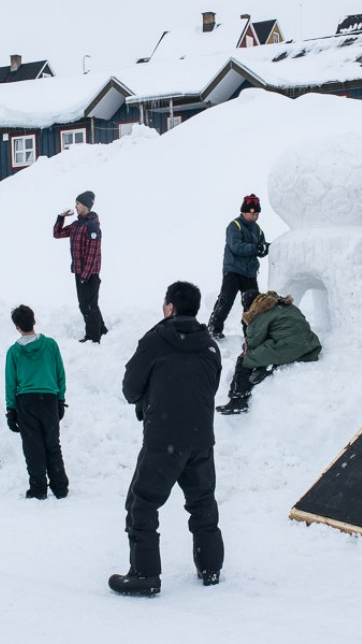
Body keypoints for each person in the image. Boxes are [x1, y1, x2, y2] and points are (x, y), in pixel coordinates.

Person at [111, 281, 224, 596]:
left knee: (142, 503)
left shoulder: (155, 340)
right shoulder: (210, 345)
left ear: (171, 307)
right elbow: (210, 386)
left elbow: (131, 386)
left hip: (163, 438)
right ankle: (210, 569)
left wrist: (151, 399)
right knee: (202, 503)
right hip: (201, 437)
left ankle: (145, 575)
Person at [216, 291, 322, 415]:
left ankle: (238, 400)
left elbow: (252, 343)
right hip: (309, 345)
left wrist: (246, 347)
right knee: (265, 351)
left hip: (287, 347)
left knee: (245, 359)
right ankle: (267, 366)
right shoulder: (284, 304)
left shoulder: (261, 313)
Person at [4, 305, 69, 500]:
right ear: (34, 321)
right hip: (49, 400)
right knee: (52, 445)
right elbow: (60, 374)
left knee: (33, 447)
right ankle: (60, 487)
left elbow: (10, 383)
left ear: (17, 327)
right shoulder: (51, 345)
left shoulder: (14, 352)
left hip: (26, 402)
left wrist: (11, 409)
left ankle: (38, 489)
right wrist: (60, 399)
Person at [206, 194, 269, 340]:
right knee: (226, 300)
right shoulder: (234, 226)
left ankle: (251, 333)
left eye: (257, 214)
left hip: (250, 273)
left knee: (253, 305)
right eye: (252, 213)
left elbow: (259, 249)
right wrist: (256, 247)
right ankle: (213, 329)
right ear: (244, 212)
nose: (254, 216)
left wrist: (264, 249)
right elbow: (236, 247)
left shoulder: (258, 230)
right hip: (233, 270)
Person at [53, 190, 107, 343]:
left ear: (85, 206)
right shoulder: (78, 225)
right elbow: (57, 233)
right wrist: (61, 217)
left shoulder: (92, 226)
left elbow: (92, 253)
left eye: (78, 203)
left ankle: (93, 336)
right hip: (79, 271)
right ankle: (101, 330)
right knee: (88, 304)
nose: (75, 206)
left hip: (89, 273)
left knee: (88, 306)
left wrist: (85, 275)